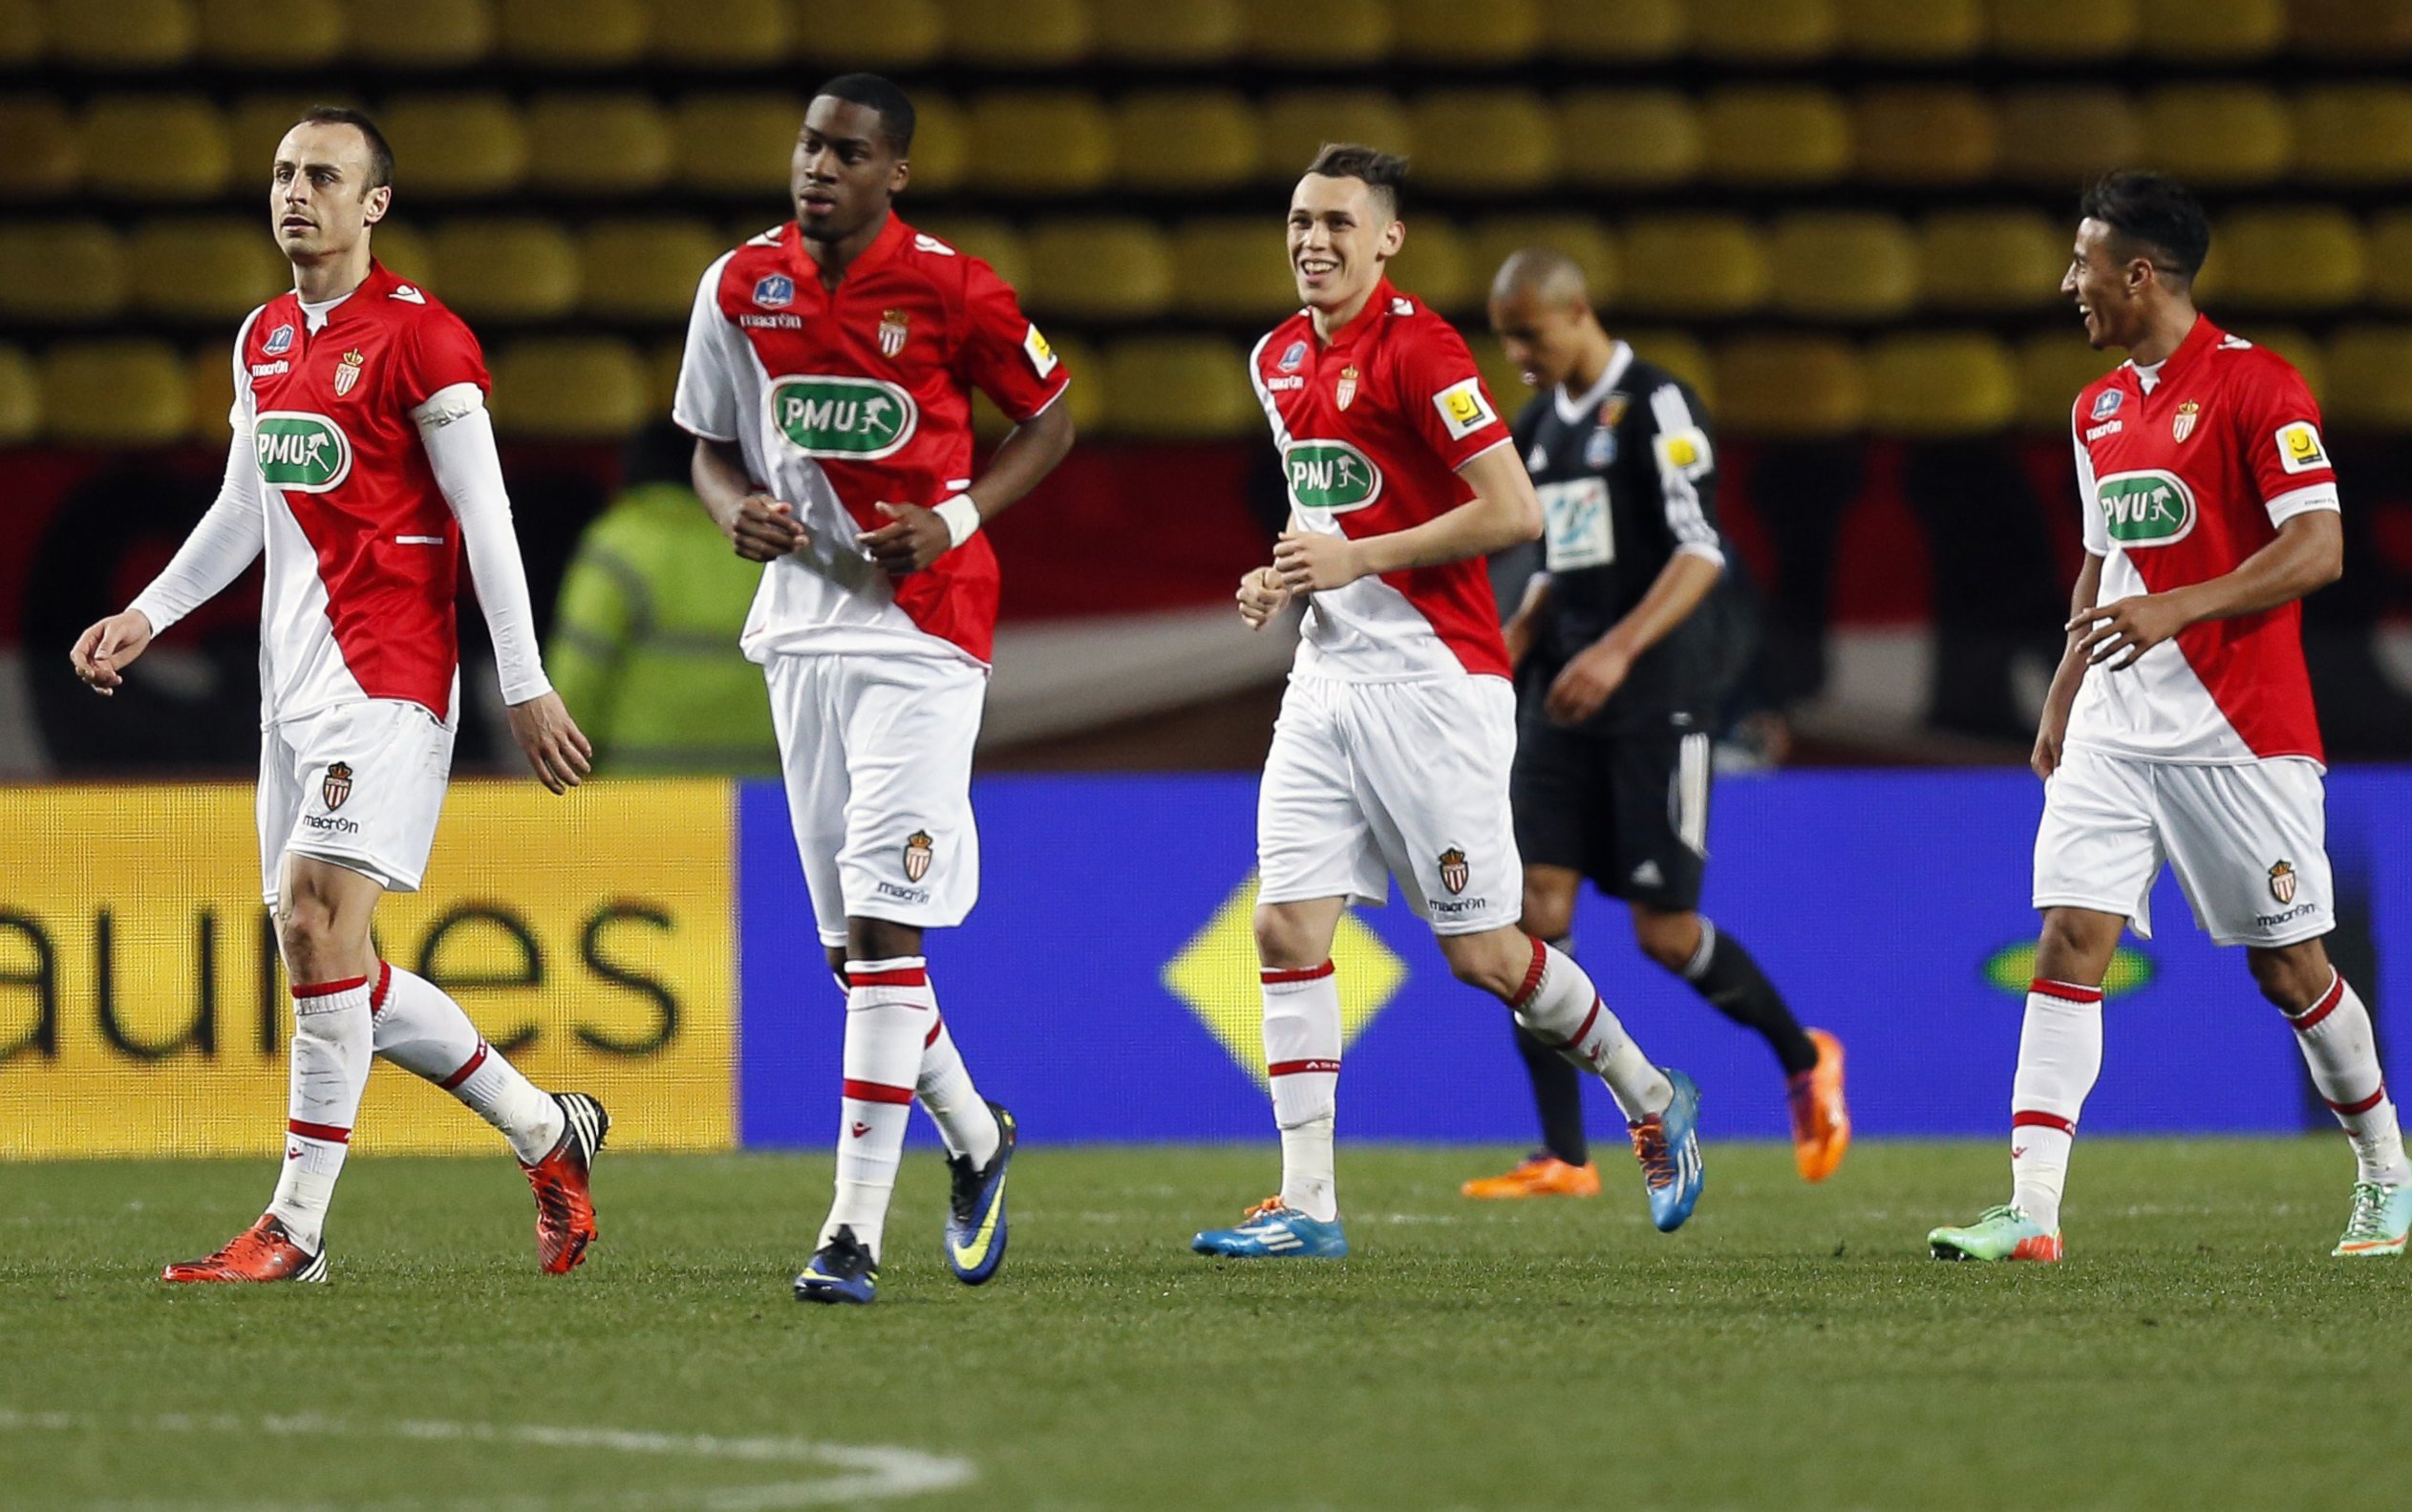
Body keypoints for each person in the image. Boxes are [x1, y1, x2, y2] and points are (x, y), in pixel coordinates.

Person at [69, 107, 608, 1285]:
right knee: (331, 965)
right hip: (291, 689)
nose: (294, 191)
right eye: (281, 172)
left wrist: (521, 680)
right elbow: (245, 510)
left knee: (319, 928)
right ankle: (546, 1130)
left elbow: (488, 515)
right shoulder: (264, 338)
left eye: (323, 174)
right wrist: (148, 611)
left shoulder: (426, 342)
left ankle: (295, 1229)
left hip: (392, 676)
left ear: (374, 204)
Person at [1193, 144, 1703, 1261]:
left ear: (1387, 239)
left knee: (1483, 955)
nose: (1312, 241)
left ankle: (1650, 1090)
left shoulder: (1422, 350)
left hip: (1435, 681)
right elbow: (1325, 512)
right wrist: (1282, 572)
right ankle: (1309, 1203)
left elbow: (1514, 512)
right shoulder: (1276, 357)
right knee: (1284, 923)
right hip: (1327, 678)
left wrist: (1356, 558)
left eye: (1337, 222)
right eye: (1298, 220)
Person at [1930, 171, 2412, 1264]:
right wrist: (2064, 693)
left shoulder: (2261, 389)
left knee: (2289, 965)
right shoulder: (2096, 408)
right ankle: (2034, 1213)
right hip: (2115, 719)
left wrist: (2180, 605)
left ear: (2138, 273)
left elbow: (2319, 546)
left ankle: (2387, 1167)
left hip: (2238, 726)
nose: (2071, 284)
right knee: (2068, 934)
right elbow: (2104, 563)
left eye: (2083, 263)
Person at [673, 75, 1076, 1306]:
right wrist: (730, 507)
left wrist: (955, 516)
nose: (818, 167)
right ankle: (976, 1137)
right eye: (808, 144)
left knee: (888, 930)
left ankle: (850, 1233)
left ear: (893, 172)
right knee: (856, 955)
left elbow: (1051, 416)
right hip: (800, 636)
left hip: (925, 633)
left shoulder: (956, 286)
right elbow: (706, 442)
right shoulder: (740, 284)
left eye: (847, 152)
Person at [1464, 249, 1849, 1201]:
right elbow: (1564, 555)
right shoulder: (1539, 427)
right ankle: (1564, 1153)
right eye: (1506, 335)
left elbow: (1701, 550)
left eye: (1530, 333)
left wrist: (1618, 651)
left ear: (1578, 312)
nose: (1516, 354)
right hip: (1563, 695)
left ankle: (1805, 1057)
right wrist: (1519, 636)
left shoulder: (1659, 407)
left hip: (1656, 696)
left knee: (1664, 933)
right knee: (1534, 916)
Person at [544, 418, 777, 776]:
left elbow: (579, 671)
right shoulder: (758, 548)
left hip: (644, 797)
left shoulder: (619, 546)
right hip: (757, 795)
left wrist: (555, 766)